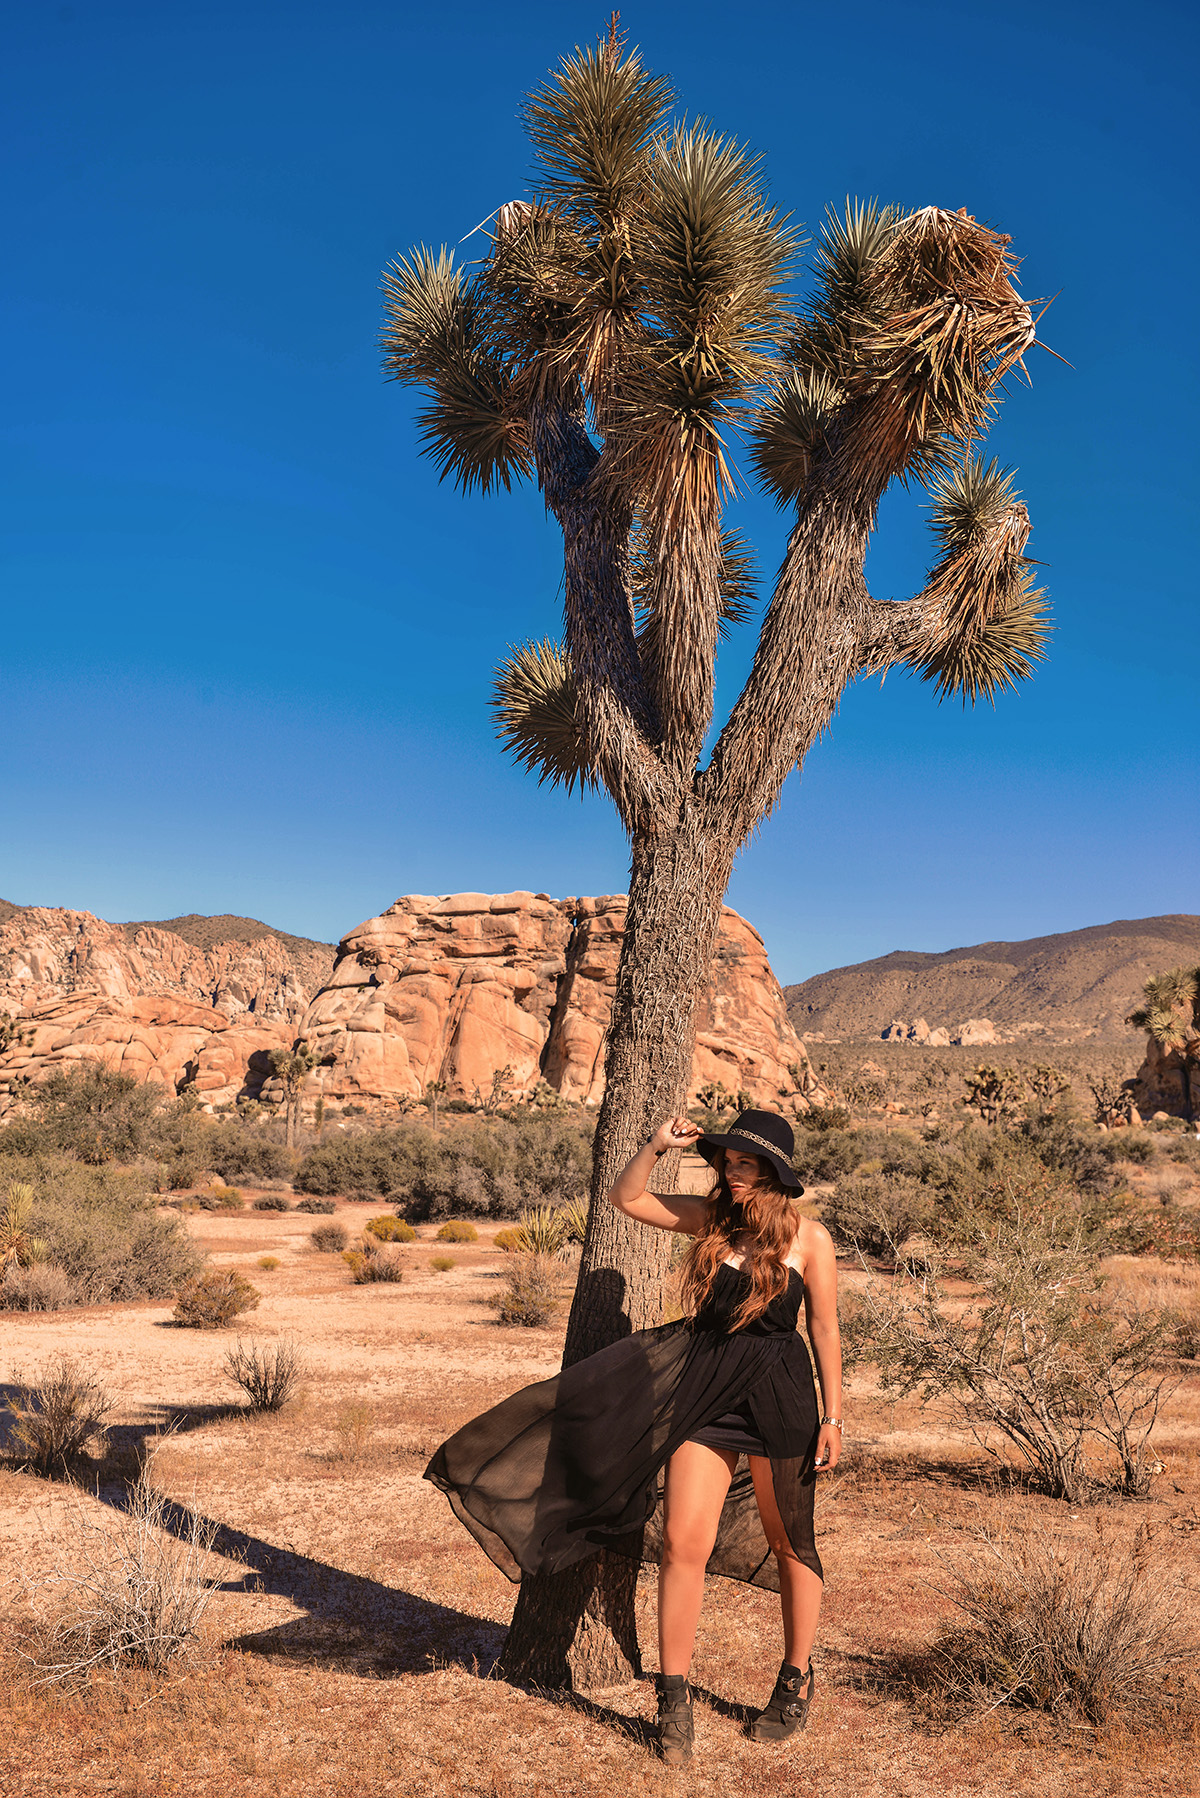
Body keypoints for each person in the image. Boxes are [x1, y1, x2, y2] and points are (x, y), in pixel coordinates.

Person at [424, 1107, 843, 1767]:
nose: (731, 1172)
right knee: (682, 1542)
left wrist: (835, 1415)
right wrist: (653, 1146)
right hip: (703, 1392)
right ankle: (672, 1700)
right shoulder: (712, 1222)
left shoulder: (811, 1241)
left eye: (743, 1163)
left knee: (791, 1541)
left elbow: (824, 1330)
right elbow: (629, 1199)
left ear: (771, 1171)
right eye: (725, 1161)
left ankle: (795, 1681)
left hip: (783, 1397)